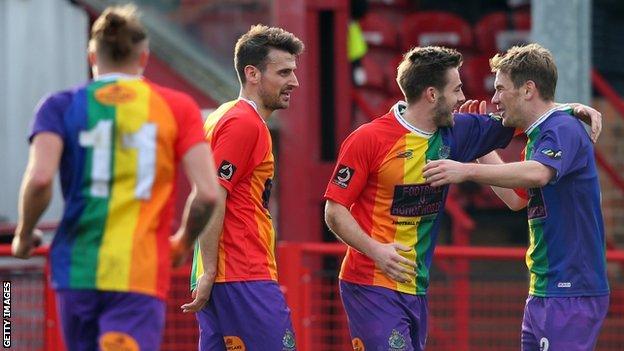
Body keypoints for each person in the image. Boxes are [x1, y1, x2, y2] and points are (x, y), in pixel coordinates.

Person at [323, 45, 602, 351]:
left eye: (499, 89)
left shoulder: (463, 131)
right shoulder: (369, 138)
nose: (464, 99)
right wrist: (376, 250)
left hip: (422, 288)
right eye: (456, 89)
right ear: (432, 95)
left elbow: (537, 129)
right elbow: (334, 211)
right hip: (370, 283)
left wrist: (569, 109)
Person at [11, 5, 219, 351]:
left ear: (92, 53)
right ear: (144, 57)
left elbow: (40, 179)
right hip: (138, 272)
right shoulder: (176, 107)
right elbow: (209, 193)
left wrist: (23, 235)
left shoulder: (60, 105)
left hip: (75, 269)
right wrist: (183, 242)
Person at [422, 43, 609, 351]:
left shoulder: (563, 126)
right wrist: (479, 148)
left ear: (528, 90)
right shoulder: (541, 134)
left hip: (571, 288)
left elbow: (538, 174)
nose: (494, 99)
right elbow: (516, 199)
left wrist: (465, 172)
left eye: (500, 89)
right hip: (545, 289)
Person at [180, 25, 304, 350]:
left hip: (225, 275)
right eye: (284, 72)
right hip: (242, 273)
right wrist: (209, 271)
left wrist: (206, 271)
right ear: (252, 73)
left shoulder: (223, 116)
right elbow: (213, 195)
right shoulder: (243, 123)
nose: (294, 81)